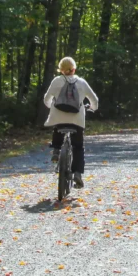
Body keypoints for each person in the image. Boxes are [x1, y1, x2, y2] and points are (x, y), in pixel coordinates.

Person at [43, 57, 100, 187]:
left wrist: (50, 106)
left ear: (61, 70)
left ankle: (56, 150)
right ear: (74, 69)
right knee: (78, 147)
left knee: (58, 126)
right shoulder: (82, 82)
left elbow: (47, 99)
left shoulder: (56, 81)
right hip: (77, 120)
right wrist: (93, 108)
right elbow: (94, 100)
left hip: (58, 116)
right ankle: (78, 174)